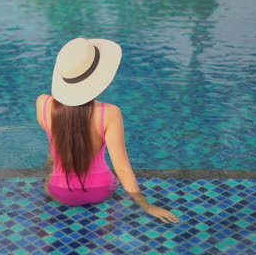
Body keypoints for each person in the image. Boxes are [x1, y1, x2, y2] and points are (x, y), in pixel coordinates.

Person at [36, 38, 180, 224]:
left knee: (51, 171)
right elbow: (121, 167)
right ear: (97, 77)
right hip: (102, 190)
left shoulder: (43, 103)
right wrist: (146, 205)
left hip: (60, 192)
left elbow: (56, 136)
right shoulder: (110, 113)